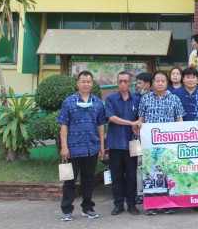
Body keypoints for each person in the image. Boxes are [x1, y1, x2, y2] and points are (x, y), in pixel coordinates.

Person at [57, 71, 106, 221]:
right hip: (73, 149)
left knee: (89, 180)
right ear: (77, 84)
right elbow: (63, 125)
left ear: (92, 84)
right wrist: (64, 147)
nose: (86, 84)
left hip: (91, 148)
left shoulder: (97, 102)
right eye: (83, 81)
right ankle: (66, 210)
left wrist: (102, 146)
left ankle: (87, 208)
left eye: (88, 81)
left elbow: (101, 125)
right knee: (70, 181)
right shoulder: (68, 102)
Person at [138, 71, 185, 215]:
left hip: (168, 145)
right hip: (150, 144)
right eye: (157, 81)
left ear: (167, 83)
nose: (160, 83)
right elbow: (141, 119)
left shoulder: (174, 99)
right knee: (150, 173)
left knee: (167, 173)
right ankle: (152, 205)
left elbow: (179, 120)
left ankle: (168, 204)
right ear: (152, 83)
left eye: (163, 81)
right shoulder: (145, 99)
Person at [105, 71, 141, 216]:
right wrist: (131, 123)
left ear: (130, 82)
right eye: (120, 81)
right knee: (116, 176)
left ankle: (131, 204)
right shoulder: (110, 99)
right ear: (117, 82)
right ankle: (118, 204)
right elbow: (111, 117)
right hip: (115, 143)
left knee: (132, 176)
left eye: (126, 81)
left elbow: (141, 117)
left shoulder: (137, 99)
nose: (123, 83)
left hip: (132, 143)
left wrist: (138, 124)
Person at [132, 72, 152, 205]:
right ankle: (140, 193)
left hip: (153, 137)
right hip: (138, 137)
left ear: (148, 84)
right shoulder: (134, 97)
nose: (137, 86)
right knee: (139, 164)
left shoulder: (155, 97)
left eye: (139, 83)